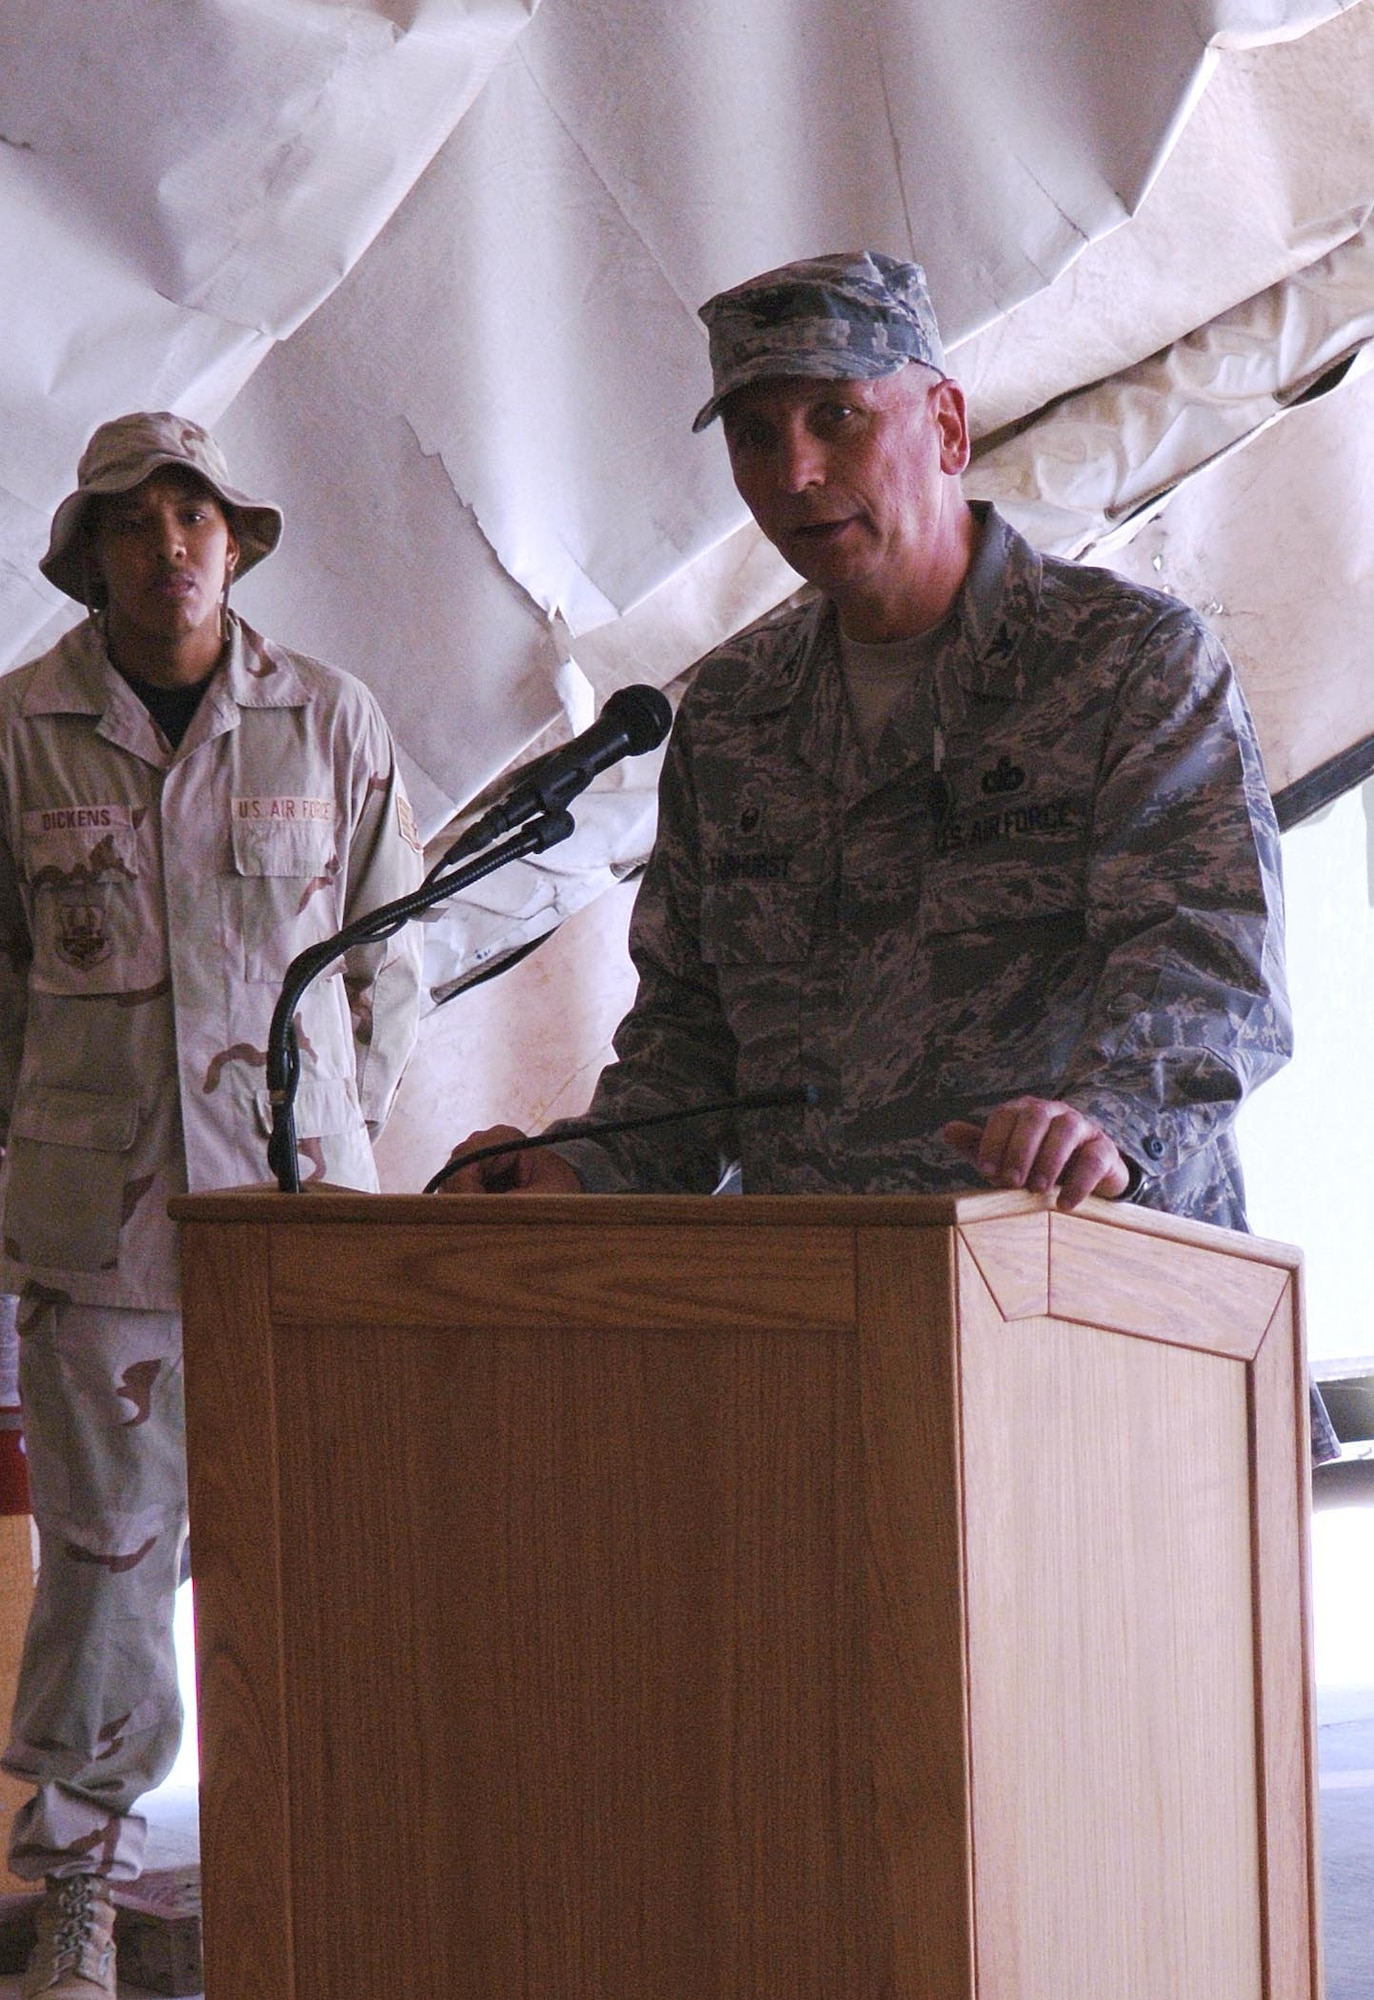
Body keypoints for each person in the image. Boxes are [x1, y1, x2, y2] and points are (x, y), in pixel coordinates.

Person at [443, 250, 1299, 1241]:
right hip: (830, 1319)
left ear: (946, 425)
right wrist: (578, 1168)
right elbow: (692, 1053)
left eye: (836, 418)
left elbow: (1211, 964)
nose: (795, 474)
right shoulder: (733, 714)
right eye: (756, 436)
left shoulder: (1123, 663)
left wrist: (1106, 1123)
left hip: (1082, 1296)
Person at [0, 413, 424, 1997]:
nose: (170, 546)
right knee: (105, 1571)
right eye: (133, 522)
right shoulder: (20, 730)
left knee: (317, 1552)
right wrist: (26, 1154)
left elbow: (396, 956)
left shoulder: (328, 719)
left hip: (297, 1227)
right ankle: (85, 1903)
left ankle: (325, 1865)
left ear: (236, 543)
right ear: (90, 554)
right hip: (101, 1236)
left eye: (196, 517)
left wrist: (340, 1136)